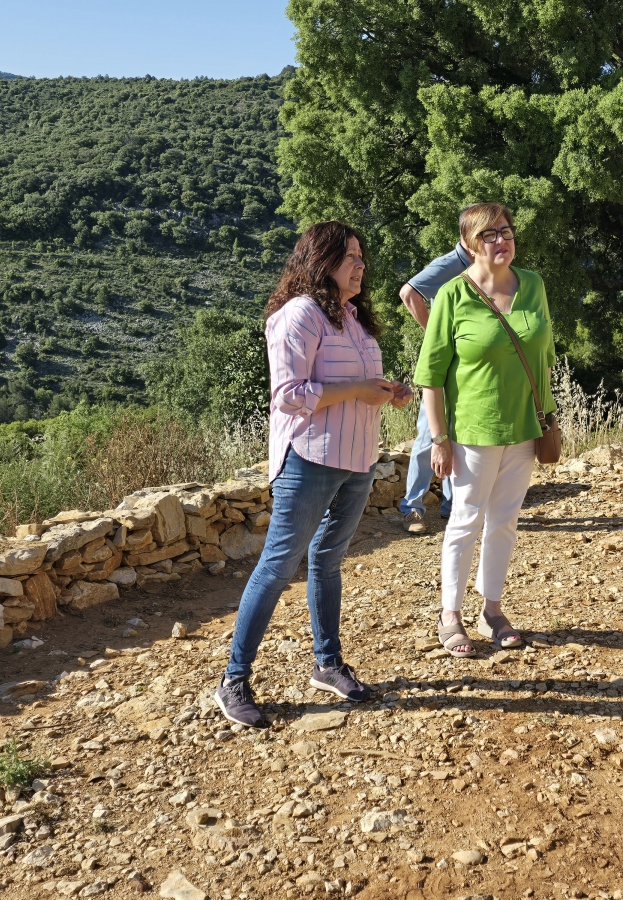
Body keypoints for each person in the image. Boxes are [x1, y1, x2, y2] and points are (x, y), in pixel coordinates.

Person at [214, 221, 413, 728]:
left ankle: (327, 664)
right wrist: (358, 389)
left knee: (327, 563)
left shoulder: (353, 319)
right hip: (309, 458)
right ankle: (234, 678)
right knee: (278, 566)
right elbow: (287, 395)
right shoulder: (297, 315)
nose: (361, 265)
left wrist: (387, 392)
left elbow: (355, 384)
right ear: (321, 261)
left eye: (361, 256)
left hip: (357, 458)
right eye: (351, 257)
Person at [414, 202, 556, 657]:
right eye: (490, 234)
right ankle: (450, 615)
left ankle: (492, 609)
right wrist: (439, 438)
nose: (502, 240)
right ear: (471, 244)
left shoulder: (533, 285)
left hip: (523, 428)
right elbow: (430, 375)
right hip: (472, 432)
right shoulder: (453, 295)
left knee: (505, 522)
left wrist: (547, 418)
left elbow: (544, 360)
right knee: (465, 521)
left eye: (507, 232)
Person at [396, 243, 471, 533]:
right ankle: (412, 509)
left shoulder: (480, 267)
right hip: (443, 362)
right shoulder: (453, 262)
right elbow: (408, 293)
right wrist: (436, 338)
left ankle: (452, 507)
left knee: (456, 430)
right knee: (430, 434)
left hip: (463, 365)